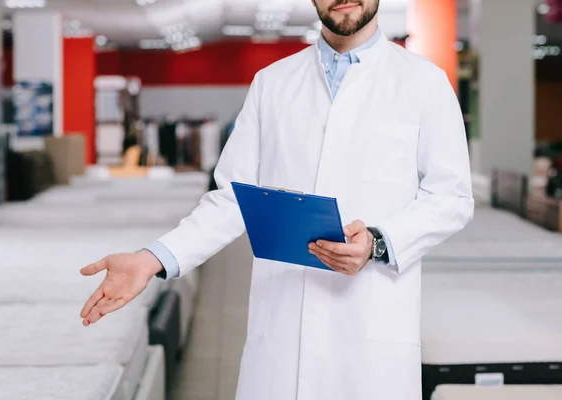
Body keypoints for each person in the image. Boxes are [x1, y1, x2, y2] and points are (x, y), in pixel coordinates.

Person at [80, 0, 474, 398]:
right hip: (284, 335)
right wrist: (152, 259)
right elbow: (233, 199)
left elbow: (451, 197)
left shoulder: (423, 83)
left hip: (370, 334)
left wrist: (377, 242)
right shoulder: (273, 83)